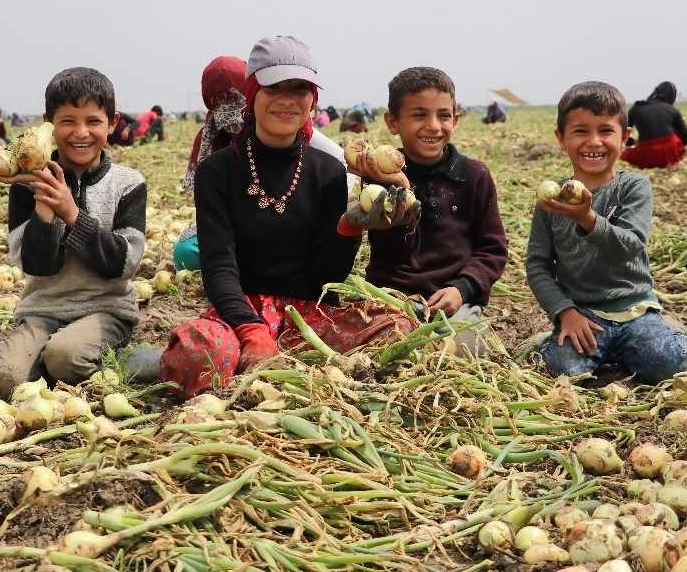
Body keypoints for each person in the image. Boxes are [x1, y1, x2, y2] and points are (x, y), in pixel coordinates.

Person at [127, 36, 417, 398]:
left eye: (299, 88)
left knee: (397, 326)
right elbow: (218, 265)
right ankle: (186, 359)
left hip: (308, 317)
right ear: (252, 93)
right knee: (202, 354)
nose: (287, 99)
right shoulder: (218, 171)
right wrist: (251, 329)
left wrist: (348, 228)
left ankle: (271, 365)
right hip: (238, 312)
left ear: (313, 98)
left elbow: (324, 278)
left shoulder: (328, 171)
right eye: (273, 87)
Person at [0, 67, 147, 400]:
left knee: (65, 359)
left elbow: (124, 263)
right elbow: (35, 265)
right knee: (3, 378)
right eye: (67, 120)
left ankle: (108, 357)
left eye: (93, 121)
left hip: (105, 309)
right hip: (43, 310)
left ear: (112, 123)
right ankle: (26, 352)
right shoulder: (28, 184)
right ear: (48, 124)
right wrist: (44, 203)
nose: (80, 132)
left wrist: (72, 214)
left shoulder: (128, 184)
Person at [526, 81, 687, 386]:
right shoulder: (551, 201)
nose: (594, 141)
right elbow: (538, 265)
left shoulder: (633, 187)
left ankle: (684, 337)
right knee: (563, 369)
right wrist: (564, 311)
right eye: (581, 131)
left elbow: (630, 246)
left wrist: (588, 219)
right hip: (584, 316)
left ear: (624, 137)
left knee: (667, 364)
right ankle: (598, 348)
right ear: (561, 138)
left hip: (634, 310)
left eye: (605, 131)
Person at [352, 67, 508, 357]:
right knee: (384, 347)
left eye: (444, 115)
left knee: (471, 347)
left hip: (455, 301)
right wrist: (401, 188)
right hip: (394, 298)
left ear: (455, 120)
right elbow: (395, 252)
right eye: (419, 115)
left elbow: (493, 249)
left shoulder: (475, 175)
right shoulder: (379, 178)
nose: (434, 126)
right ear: (392, 122)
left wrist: (461, 288)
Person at [176, 55, 356, 272]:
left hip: (297, 234)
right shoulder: (213, 146)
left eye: (237, 111)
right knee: (187, 250)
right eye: (225, 115)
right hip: (235, 237)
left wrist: (317, 210)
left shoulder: (297, 133)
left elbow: (340, 167)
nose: (235, 124)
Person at [621, 81, 687, 168]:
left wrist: (634, 142)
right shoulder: (672, 110)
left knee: (624, 155)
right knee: (675, 132)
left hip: (646, 154)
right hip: (671, 155)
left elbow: (621, 135)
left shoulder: (636, 109)